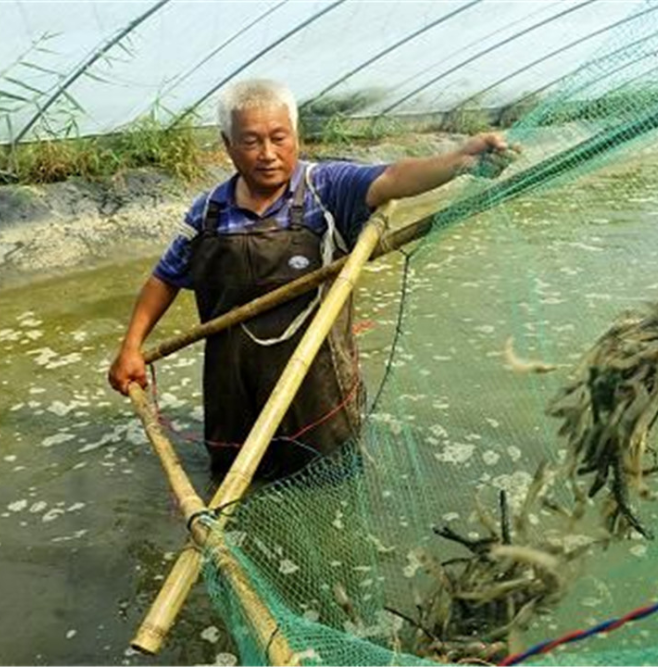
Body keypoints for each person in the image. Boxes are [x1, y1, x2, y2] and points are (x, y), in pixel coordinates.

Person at [108, 78, 514, 480]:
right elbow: (166, 277)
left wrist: (460, 161)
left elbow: (393, 177)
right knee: (237, 485)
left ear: (296, 137)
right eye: (251, 141)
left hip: (318, 391)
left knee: (329, 483)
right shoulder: (209, 212)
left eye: (279, 138)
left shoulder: (326, 188)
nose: (268, 154)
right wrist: (131, 347)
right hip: (234, 393)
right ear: (227, 145)